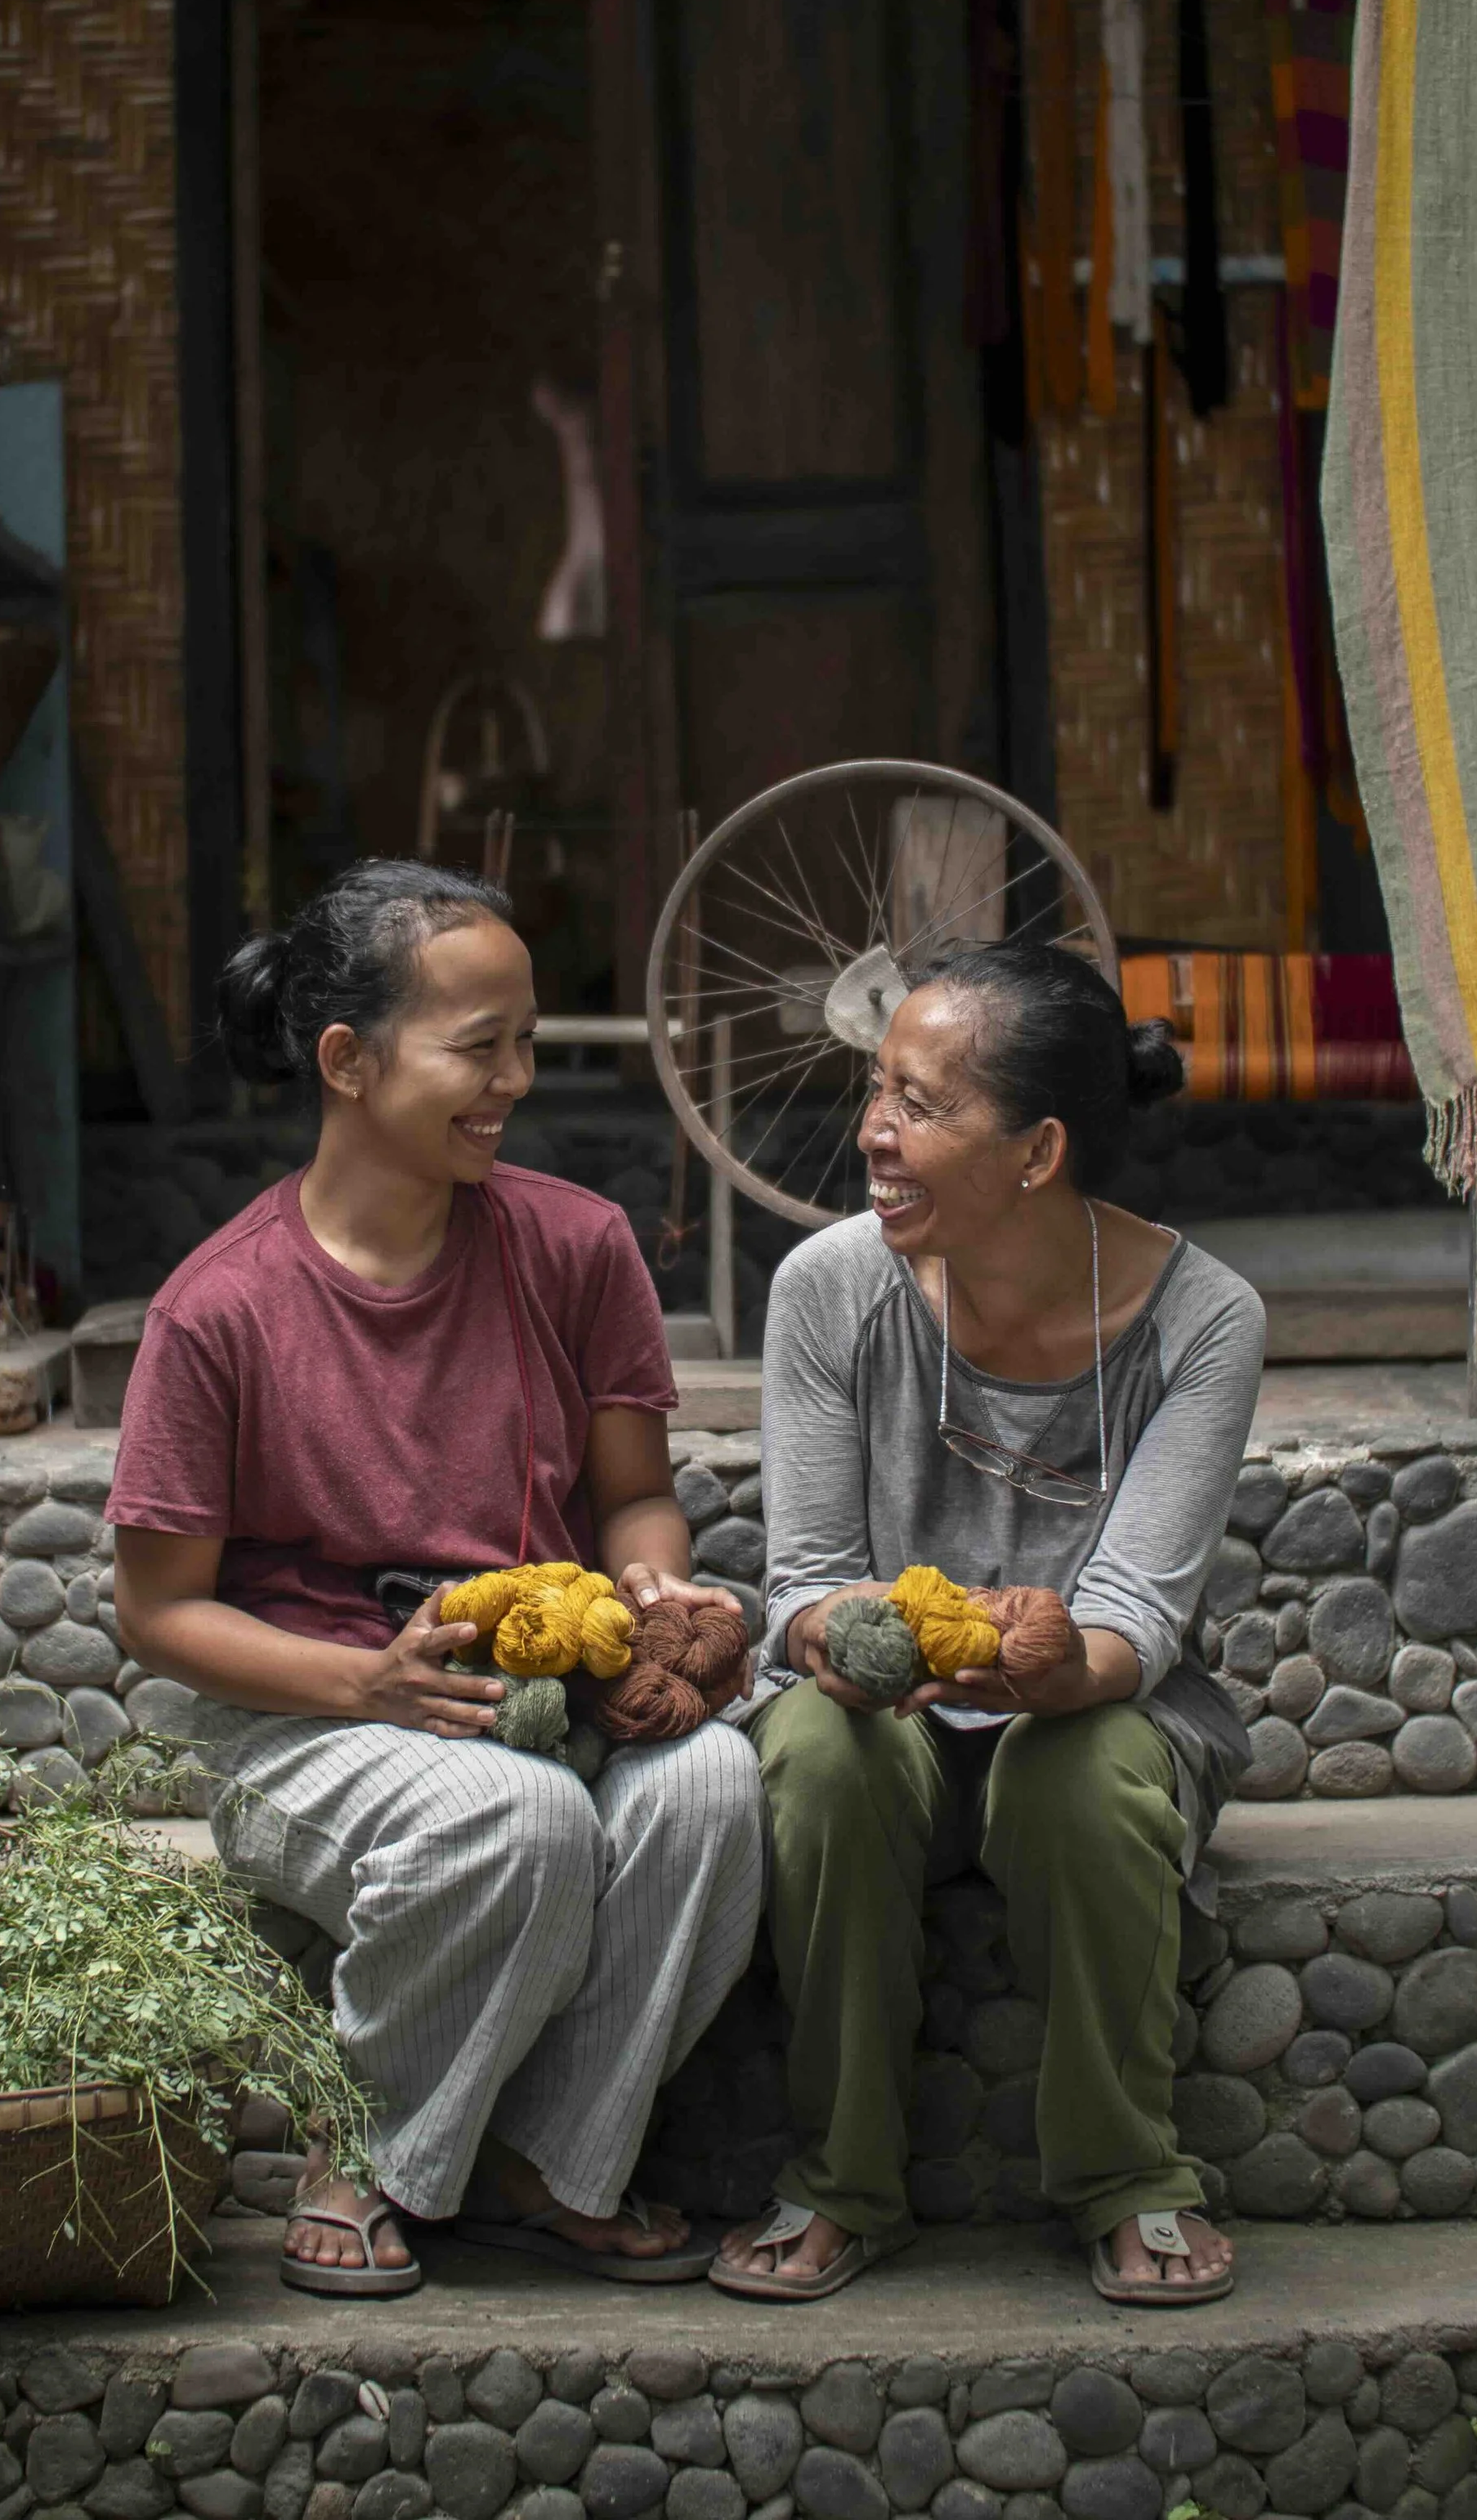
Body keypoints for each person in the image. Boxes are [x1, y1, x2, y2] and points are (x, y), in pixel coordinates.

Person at [110, 859, 764, 2298]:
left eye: (526, 1039)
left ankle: (552, 2160)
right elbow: (158, 1612)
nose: (516, 1078)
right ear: (346, 1060)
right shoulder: (218, 1310)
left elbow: (637, 1496)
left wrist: (657, 1593)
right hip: (308, 1716)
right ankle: (374, 2143)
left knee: (715, 1786)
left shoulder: (577, 1246)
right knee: (522, 1816)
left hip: (547, 1687)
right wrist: (373, 1681)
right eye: (481, 1046)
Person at [714, 939, 1264, 2307]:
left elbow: (1136, 1616)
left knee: (1086, 1774)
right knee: (816, 1754)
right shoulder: (830, 1288)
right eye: (878, 1088)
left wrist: (1057, 1657)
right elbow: (807, 1579)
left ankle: (1127, 2170)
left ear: (1037, 1152)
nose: (874, 1132)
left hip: (1094, 1709)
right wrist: (839, 1636)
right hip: (881, 1717)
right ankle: (843, 2178)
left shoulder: (1204, 1321)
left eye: (920, 1103)